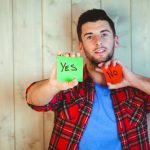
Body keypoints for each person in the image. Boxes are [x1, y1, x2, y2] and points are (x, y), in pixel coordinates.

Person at [26, 9, 150, 150]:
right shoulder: (68, 82)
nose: (98, 42)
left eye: (104, 34)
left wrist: (134, 80)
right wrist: (52, 86)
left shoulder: (135, 86)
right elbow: (32, 100)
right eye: (90, 36)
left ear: (115, 40)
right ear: (81, 46)